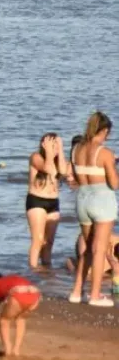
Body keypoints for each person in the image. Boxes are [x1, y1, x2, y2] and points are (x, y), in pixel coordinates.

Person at [69, 111, 117, 307]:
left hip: (82, 199)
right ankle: (95, 295)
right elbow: (114, 183)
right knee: (99, 250)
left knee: (88, 249)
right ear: (104, 131)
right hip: (102, 200)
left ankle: (76, 292)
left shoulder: (76, 150)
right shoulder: (105, 153)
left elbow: (76, 177)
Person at [25, 134, 67, 269]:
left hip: (53, 202)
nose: (54, 148)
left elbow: (63, 171)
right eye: (52, 145)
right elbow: (48, 169)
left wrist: (61, 150)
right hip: (37, 201)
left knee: (48, 242)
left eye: (56, 145)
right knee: (38, 239)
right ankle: (33, 269)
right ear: (44, 145)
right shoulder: (36, 157)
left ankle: (47, 268)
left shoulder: (58, 161)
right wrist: (49, 153)